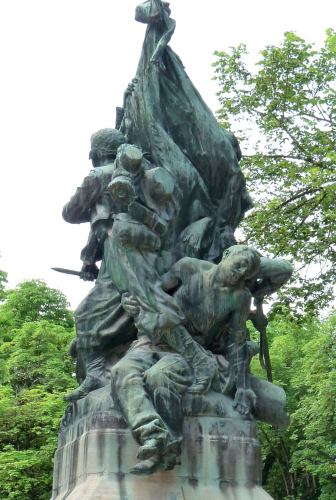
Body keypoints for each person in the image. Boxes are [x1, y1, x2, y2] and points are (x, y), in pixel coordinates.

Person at [110, 245, 261, 474]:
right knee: (121, 371)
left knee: (159, 376)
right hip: (153, 342)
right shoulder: (189, 267)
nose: (240, 273)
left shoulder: (240, 297)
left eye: (246, 273)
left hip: (190, 354)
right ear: (226, 255)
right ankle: (154, 435)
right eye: (239, 265)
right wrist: (131, 301)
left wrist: (242, 386)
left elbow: (237, 341)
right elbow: (151, 293)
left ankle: (167, 449)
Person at [62, 128, 137, 402]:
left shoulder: (100, 175)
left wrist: (89, 258)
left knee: (85, 315)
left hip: (121, 255)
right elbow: (101, 222)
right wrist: (88, 258)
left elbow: (70, 213)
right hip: (130, 250)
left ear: (96, 153)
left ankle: (96, 375)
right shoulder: (137, 175)